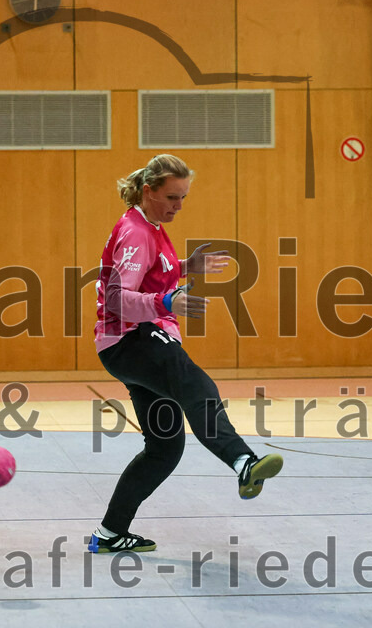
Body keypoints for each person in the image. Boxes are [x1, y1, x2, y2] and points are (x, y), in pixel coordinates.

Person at [89, 154, 283, 554]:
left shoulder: (150, 227)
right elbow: (115, 297)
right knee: (196, 383)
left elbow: (150, 270)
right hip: (132, 338)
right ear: (149, 191)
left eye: (183, 198)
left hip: (128, 344)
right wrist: (165, 301)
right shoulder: (137, 231)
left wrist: (182, 267)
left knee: (164, 447)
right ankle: (243, 462)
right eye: (172, 197)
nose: (178, 205)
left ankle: (110, 533)